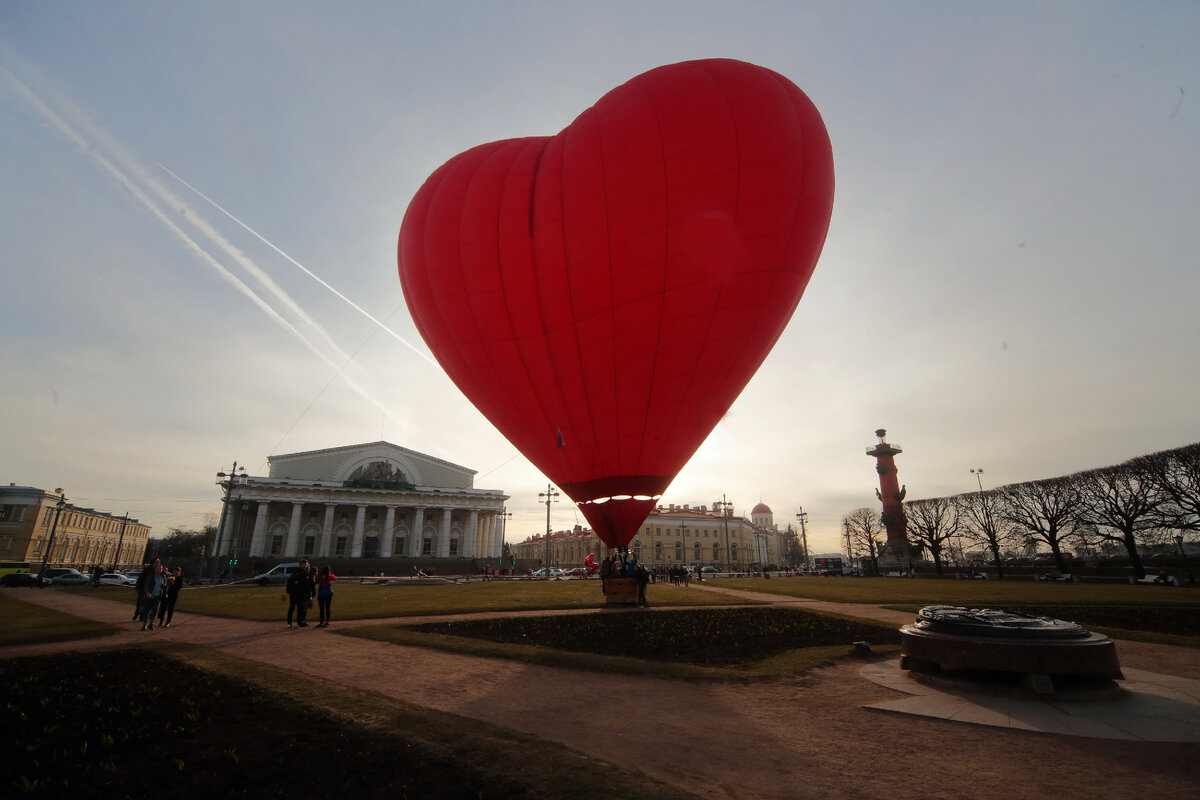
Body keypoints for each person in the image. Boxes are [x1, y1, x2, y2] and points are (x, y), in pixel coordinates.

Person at [285, 559, 312, 628]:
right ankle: (289, 623)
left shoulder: (304, 573)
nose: (304, 567)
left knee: (299, 608)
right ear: (300, 565)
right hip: (294, 593)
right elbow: (290, 581)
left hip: (301, 593)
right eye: (303, 565)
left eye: (305, 565)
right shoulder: (297, 572)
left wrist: (308, 594)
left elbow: (306, 585)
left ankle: (299, 623)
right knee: (292, 608)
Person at [140, 563, 166, 631]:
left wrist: (164, 585)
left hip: (158, 596)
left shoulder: (163, 577)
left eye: (160, 569)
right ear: (155, 570)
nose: (159, 570)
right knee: (147, 610)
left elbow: (165, 585)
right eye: (158, 569)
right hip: (150, 596)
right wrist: (148, 593)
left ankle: (151, 624)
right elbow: (146, 586)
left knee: (155, 610)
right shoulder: (151, 577)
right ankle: (144, 624)